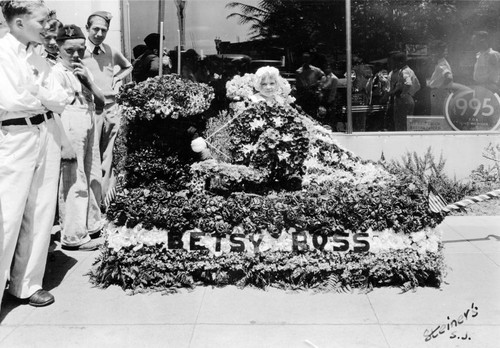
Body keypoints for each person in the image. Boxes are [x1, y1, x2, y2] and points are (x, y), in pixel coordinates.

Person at [0, 0, 68, 308]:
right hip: (14, 137)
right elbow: (13, 100)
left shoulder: (37, 56)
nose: (48, 26)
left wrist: (38, 92)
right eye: (41, 21)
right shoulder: (2, 54)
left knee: (40, 211)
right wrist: (43, 95)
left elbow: (62, 97)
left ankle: (26, 284)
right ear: (18, 24)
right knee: (8, 215)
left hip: (46, 133)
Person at [53, 24, 105, 251]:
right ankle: (73, 235)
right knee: (74, 179)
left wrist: (88, 81)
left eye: (80, 49)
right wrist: (64, 142)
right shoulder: (56, 72)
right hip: (70, 120)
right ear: (58, 48)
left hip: (89, 117)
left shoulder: (83, 68)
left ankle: (92, 224)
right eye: (70, 50)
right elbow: (53, 110)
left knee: (91, 171)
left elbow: (101, 102)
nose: (76, 55)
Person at [83, 11, 132, 210]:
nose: (99, 33)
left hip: (111, 109)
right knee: (92, 155)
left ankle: (104, 202)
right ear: (87, 28)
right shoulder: (79, 52)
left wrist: (117, 78)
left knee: (108, 155)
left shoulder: (110, 51)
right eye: (95, 29)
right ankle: (91, 203)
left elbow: (128, 66)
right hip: (91, 109)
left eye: (104, 30)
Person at [389, 52, 420, 131]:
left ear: (400, 62)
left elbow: (408, 83)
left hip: (403, 100)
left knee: (400, 123)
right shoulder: (409, 70)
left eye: (395, 61)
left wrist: (403, 93)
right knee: (407, 123)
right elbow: (417, 86)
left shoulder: (404, 71)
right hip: (409, 98)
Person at [295, 52, 325, 117]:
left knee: (314, 113)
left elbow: (323, 76)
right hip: (303, 95)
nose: (306, 60)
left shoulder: (315, 70)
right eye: (304, 58)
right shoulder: (299, 71)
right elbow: (297, 84)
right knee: (303, 113)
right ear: (302, 59)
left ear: (310, 59)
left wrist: (319, 84)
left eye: (307, 58)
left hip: (313, 94)